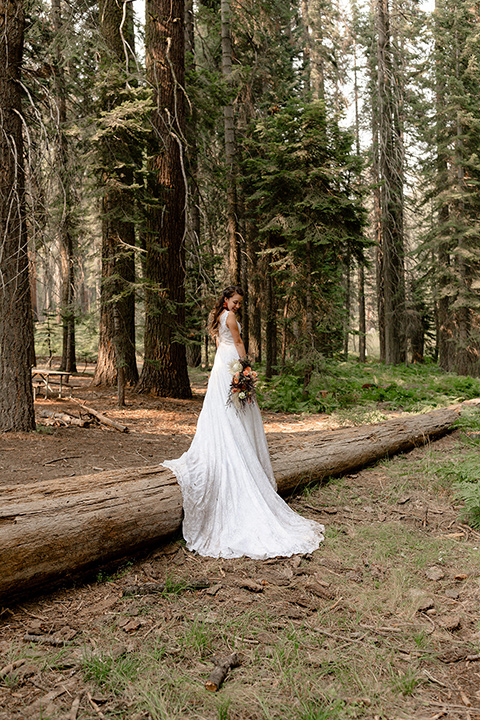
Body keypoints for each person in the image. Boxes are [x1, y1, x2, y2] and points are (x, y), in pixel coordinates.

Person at [162, 285, 324, 559]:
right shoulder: (230, 318)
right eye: (235, 301)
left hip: (220, 364)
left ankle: (234, 446)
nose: (238, 306)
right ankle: (237, 451)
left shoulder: (217, 316)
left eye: (239, 303)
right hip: (231, 364)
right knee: (235, 409)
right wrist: (245, 367)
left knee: (225, 409)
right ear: (226, 300)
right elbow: (237, 343)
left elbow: (220, 343)